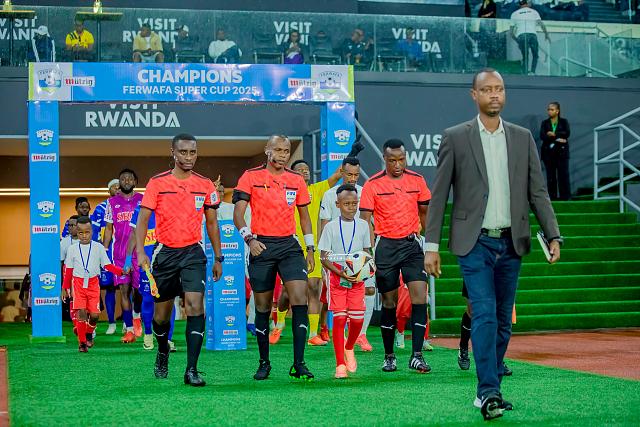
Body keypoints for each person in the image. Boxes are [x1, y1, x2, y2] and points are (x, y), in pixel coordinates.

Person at [424, 68, 562, 420]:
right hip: (474, 244)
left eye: (499, 88)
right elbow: (438, 196)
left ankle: (490, 387)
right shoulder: (456, 137)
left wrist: (553, 234)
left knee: (503, 321)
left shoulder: (522, 138)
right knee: (484, 313)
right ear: (474, 95)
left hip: (512, 242)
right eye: (487, 89)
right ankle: (488, 391)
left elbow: (538, 192)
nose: (494, 94)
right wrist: (431, 245)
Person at [136, 133, 222, 387]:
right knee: (161, 317)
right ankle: (162, 349)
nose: (188, 157)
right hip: (165, 253)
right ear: (172, 152)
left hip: (193, 252)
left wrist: (218, 257)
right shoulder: (157, 182)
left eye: (192, 152)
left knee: (195, 306)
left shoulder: (205, 184)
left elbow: (212, 223)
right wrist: (140, 252)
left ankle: (191, 369)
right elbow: (142, 220)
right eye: (183, 152)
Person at [232, 135, 315, 381]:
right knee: (262, 307)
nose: (282, 154)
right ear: (267, 150)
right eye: (277, 149)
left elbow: (304, 217)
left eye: (286, 151)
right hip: (261, 245)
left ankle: (299, 364)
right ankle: (264, 363)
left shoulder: (296, 179)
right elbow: (238, 215)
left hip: (289, 245)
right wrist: (249, 240)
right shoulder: (250, 177)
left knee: (300, 298)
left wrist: (310, 248)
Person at [359, 139, 432, 374]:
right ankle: (389, 356)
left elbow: (425, 213)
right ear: (384, 159)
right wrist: (368, 251)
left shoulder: (417, 180)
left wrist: (430, 245)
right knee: (389, 303)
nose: (398, 164)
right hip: (386, 247)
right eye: (392, 160)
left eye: (401, 159)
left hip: (412, 246)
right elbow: (365, 221)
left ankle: (417, 355)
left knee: (419, 297)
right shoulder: (372, 184)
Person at [319, 156, 375, 352]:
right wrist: (324, 255)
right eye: (349, 174)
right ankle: (341, 338)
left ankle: (361, 335)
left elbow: (368, 222)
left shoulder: (364, 192)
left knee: (370, 290)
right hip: (336, 259)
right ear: (341, 172)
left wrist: (370, 256)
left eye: (356, 175)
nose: (353, 178)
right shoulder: (329, 195)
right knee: (338, 304)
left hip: (360, 258)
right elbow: (324, 224)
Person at [62, 216, 123, 352]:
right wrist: (65, 287)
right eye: (81, 233)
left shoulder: (98, 247)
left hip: (93, 283)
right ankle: (82, 343)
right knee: (81, 313)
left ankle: (88, 332)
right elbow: (69, 270)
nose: (84, 235)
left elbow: (107, 265)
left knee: (95, 315)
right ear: (77, 232)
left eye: (87, 232)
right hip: (78, 283)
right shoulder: (72, 249)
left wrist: (120, 272)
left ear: (92, 232)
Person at [126, 205, 177, 352]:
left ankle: (168, 339)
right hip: (147, 264)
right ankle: (148, 334)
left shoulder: (171, 205)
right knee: (148, 299)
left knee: (169, 300)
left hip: (168, 262)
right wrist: (128, 259)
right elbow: (133, 235)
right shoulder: (140, 209)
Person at [103, 169, 144, 343]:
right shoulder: (111, 202)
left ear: (135, 181)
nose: (126, 181)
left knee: (139, 291)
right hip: (119, 254)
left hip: (139, 252)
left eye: (130, 178)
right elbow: (108, 229)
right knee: (124, 291)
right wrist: (105, 251)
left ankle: (137, 315)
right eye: (123, 179)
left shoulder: (143, 200)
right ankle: (129, 329)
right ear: (119, 182)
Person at [94, 179, 120, 335]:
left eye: (119, 187)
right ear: (109, 190)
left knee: (129, 287)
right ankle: (111, 322)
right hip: (107, 253)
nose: (117, 189)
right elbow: (94, 231)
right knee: (109, 287)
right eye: (114, 187)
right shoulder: (101, 208)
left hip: (124, 252)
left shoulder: (129, 206)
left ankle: (130, 322)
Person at [539, 102, 571, 200]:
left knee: (563, 175)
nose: (549, 111)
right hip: (548, 154)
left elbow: (567, 133)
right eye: (548, 109)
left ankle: (565, 197)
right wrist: (558, 138)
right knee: (551, 177)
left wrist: (554, 134)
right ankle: (552, 197)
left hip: (561, 153)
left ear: (557, 111)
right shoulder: (545, 123)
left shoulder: (564, 122)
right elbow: (542, 136)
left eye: (552, 109)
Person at [510, 0, 550, 75]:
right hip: (532, 35)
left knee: (525, 56)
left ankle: (525, 73)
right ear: (527, 3)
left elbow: (511, 33)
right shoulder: (534, 12)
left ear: (519, 4)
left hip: (521, 36)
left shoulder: (514, 14)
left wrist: (517, 41)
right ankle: (532, 72)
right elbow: (541, 24)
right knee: (535, 55)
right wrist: (546, 34)